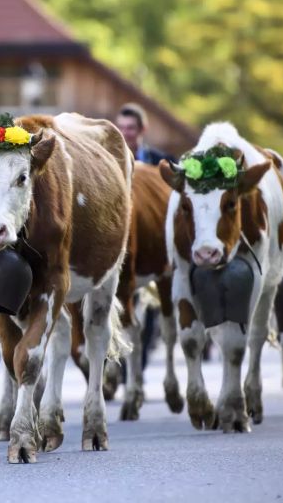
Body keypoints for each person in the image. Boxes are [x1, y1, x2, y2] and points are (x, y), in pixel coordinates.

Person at [115, 103, 179, 370]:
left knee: (152, 305)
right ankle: (119, 367)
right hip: (121, 244)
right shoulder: (108, 160)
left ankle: (137, 363)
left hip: (154, 245)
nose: (126, 133)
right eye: (121, 128)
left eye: (131, 128)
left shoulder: (160, 162)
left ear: (142, 130)